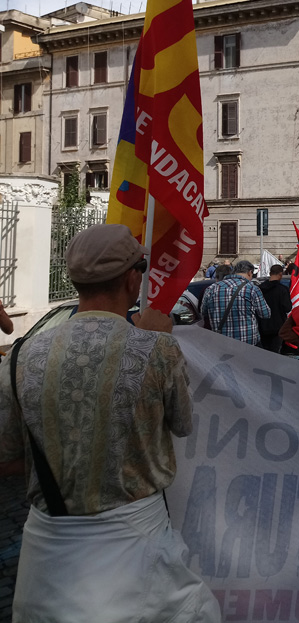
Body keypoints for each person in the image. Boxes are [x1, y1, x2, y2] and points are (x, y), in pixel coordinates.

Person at [0, 223, 219, 622]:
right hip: (136, 545)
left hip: (47, 554)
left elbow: (8, 457)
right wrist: (156, 340)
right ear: (132, 279)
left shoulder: (19, 355)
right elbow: (183, 425)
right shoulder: (156, 348)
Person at [200, 259, 270, 345]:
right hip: (247, 342)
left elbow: (204, 312)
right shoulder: (252, 289)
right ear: (250, 272)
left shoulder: (211, 289)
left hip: (221, 342)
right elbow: (265, 314)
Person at [258, 264, 292, 353]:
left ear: (270, 273)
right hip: (278, 326)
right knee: (275, 352)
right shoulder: (283, 289)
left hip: (262, 325)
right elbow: (287, 308)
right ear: (280, 274)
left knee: (263, 351)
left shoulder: (259, 288)